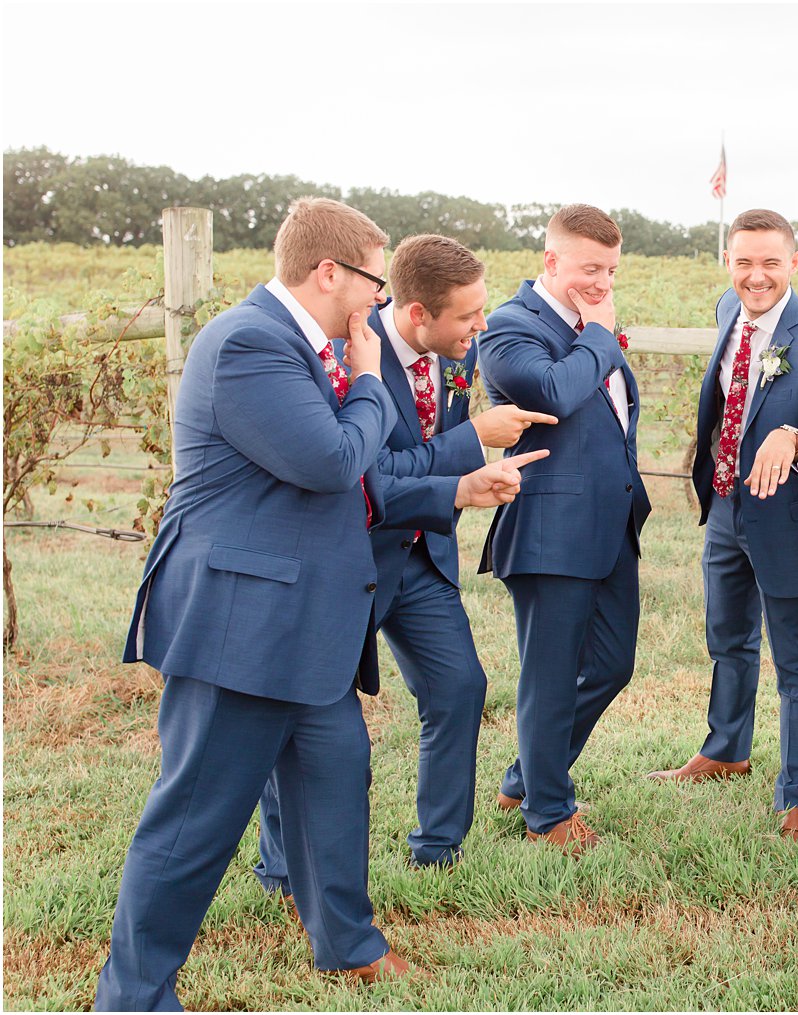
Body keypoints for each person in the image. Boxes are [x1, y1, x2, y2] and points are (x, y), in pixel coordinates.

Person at [96, 198, 541, 1010]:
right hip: (243, 624)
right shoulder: (248, 345)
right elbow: (336, 461)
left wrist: (455, 483)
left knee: (336, 773)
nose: (380, 299)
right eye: (374, 280)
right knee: (194, 821)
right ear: (329, 271)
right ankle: (133, 995)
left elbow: (363, 479)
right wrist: (371, 377)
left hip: (306, 626)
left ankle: (346, 943)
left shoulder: (307, 348)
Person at [253, 235, 558, 886]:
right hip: (344, 562)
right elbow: (371, 477)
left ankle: (438, 850)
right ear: (417, 313)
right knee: (305, 715)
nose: (481, 326)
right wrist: (471, 445)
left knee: (460, 688)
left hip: (422, 552)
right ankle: (281, 871)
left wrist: (470, 465)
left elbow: (422, 450)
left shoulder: (457, 351)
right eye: (468, 315)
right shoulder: (342, 365)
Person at [646, 209, 798, 844]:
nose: (756, 275)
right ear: (728, 263)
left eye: (770, 262)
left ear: (794, 263)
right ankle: (725, 749)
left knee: (797, 662)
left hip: (786, 519)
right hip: (724, 510)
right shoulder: (725, 313)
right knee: (727, 640)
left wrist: (795, 438)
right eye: (744, 262)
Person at [476, 204, 652, 855]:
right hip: (549, 528)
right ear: (551, 261)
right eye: (588, 268)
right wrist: (602, 336)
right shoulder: (509, 327)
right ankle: (548, 811)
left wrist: (597, 331)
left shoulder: (590, 323)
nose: (602, 282)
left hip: (611, 528)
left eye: (610, 269)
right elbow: (550, 395)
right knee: (549, 675)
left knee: (612, 663)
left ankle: (526, 774)